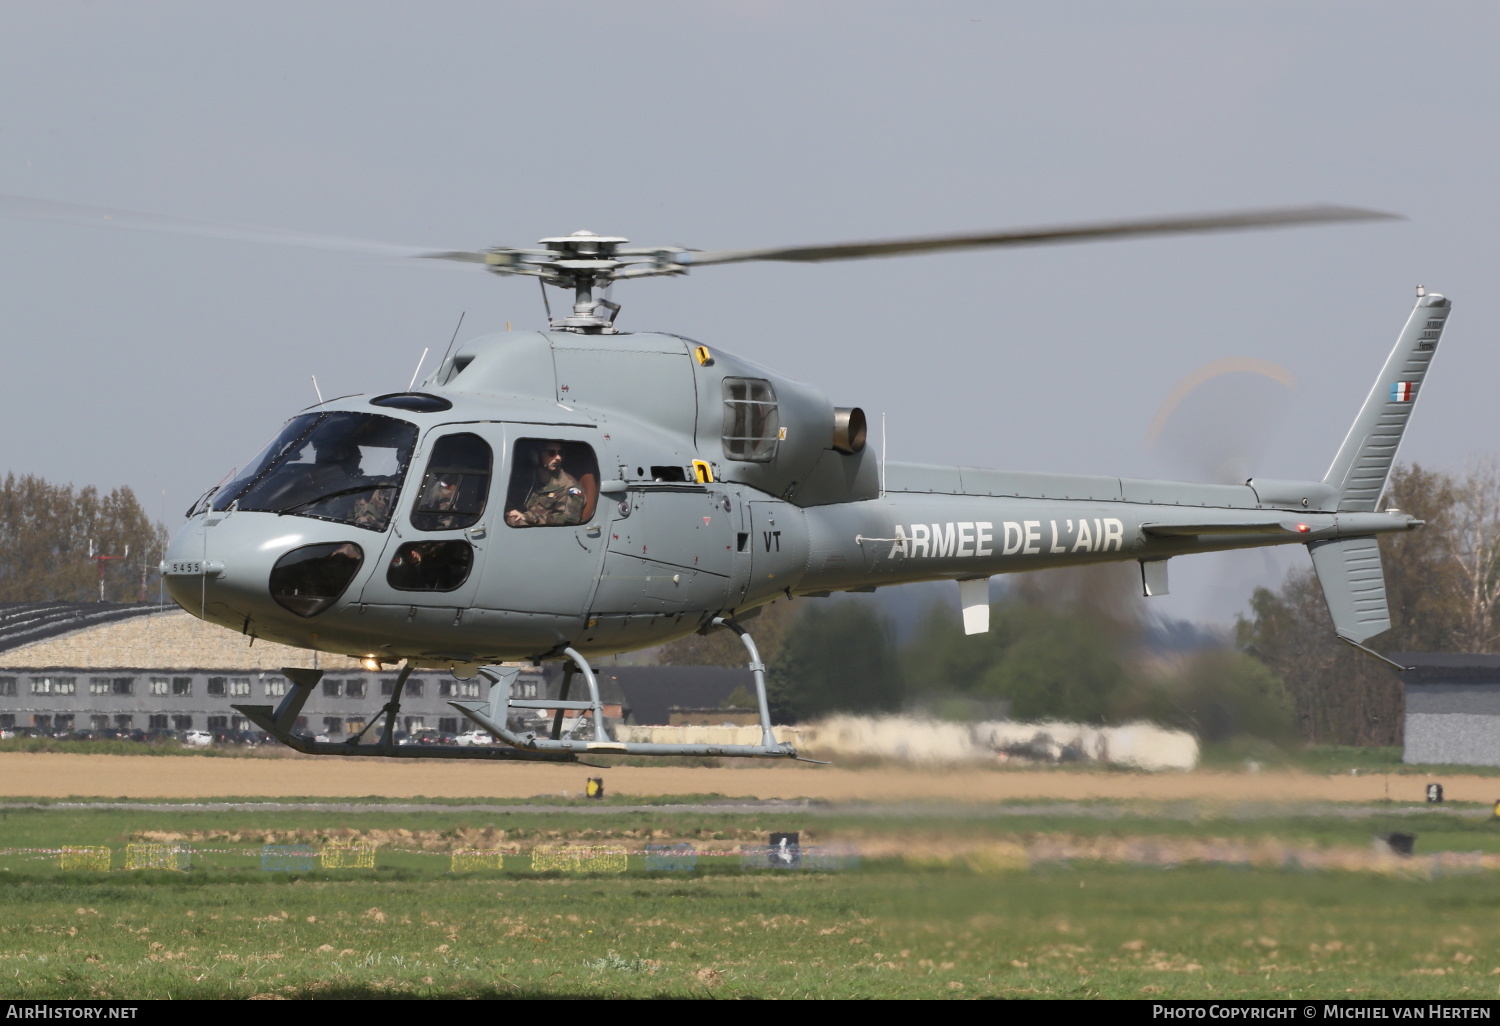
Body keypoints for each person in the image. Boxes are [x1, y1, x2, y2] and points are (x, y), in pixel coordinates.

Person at [506, 441, 584, 527]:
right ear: (535, 456)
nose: (558, 457)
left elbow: (567, 519)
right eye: (551, 453)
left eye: (560, 453)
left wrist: (528, 517)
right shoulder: (529, 480)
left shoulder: (569, 486)